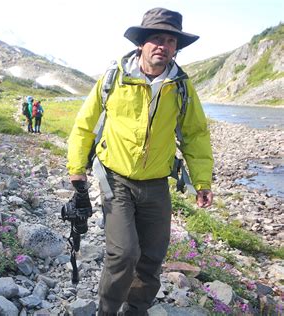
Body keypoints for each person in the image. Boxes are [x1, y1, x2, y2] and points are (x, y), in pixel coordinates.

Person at [66, 7, 213, 315]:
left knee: (152, 256)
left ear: (176, 48)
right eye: (156, 38)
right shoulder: (114, 78)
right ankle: (106, 311)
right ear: (141, 44)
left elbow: (195, 134)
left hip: (157, 184)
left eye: (171, 40)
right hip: (115, 179)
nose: (164, 45)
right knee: (123, 254)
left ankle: (136, 310)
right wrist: (77, 171)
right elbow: (85, 124)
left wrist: (201, 181)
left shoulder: (181, 86)